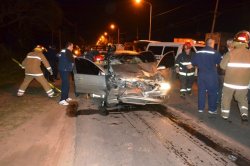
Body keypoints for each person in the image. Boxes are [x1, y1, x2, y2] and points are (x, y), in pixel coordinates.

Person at [220, 30, 250, 121]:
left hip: (229, 82)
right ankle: (244, 113)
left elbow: (222, 66)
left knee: (226, 97)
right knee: (242, 98)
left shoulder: (231, 53)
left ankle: (225, 115)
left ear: (235, 41)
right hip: (243, 83)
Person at [190, 38, 222, 114]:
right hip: (211, 76)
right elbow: (221, 62)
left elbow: (193, 62)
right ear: (212, 43)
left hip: (201, 75)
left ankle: (200, 108)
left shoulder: (198, 52)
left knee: (201, 92)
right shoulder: (215, 53)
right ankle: (212, 109)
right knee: (212, 92)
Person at [217, 39, 234, 104]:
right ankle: (220, 100)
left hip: (220, 72)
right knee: (222, 88)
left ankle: (218, 99)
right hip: (223, 73)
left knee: (220, 87)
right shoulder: (229, 52)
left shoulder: (223, 51)